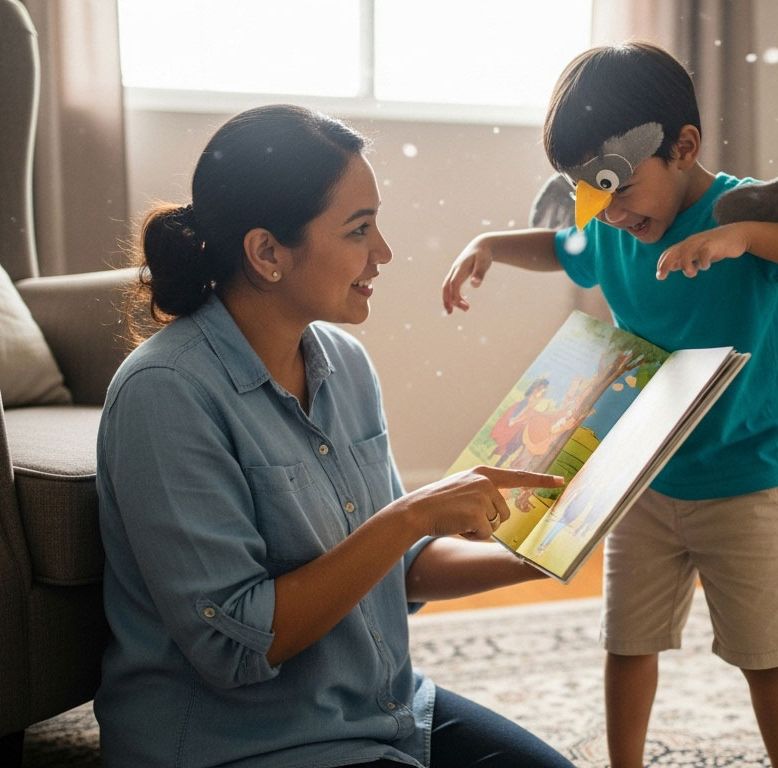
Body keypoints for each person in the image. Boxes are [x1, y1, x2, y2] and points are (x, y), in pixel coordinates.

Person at [96, 104, 576, 768]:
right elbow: (238, 648)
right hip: (242, 746)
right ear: (267, 252)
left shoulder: (343, 364)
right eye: (359, 230)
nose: (383, 253)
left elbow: (397, 569)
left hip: (381, 714)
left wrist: (542, 550)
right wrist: (410, 515)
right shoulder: (165, 394)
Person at [441, 43, 778, 768]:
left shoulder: (739, 211)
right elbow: (561, 245)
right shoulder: (611, 230)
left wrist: (744, 236)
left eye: (615, 186)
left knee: (764, 655)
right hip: (639, 478)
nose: (604, 212)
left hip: (741, 480)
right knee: (627, 643)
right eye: (586, 193)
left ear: (683, 148)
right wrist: (490, 244)